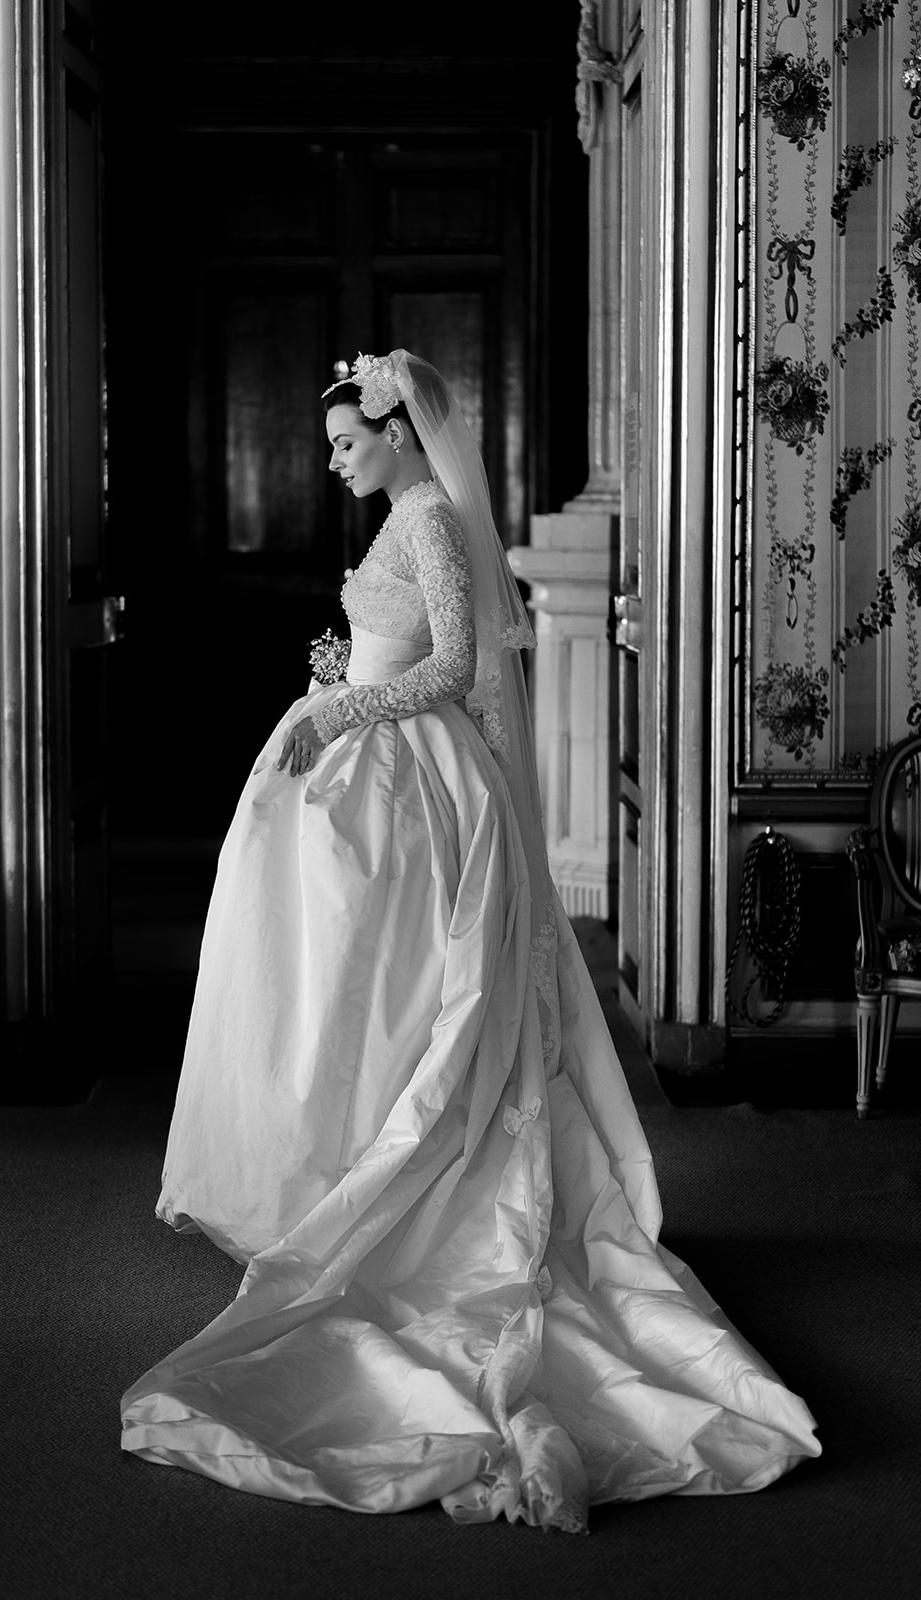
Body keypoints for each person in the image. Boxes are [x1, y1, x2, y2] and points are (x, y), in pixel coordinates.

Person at [121, 350, 820, 1529]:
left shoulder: (435, 521)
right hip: (371, 759)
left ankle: (398, 1184)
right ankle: (335, 1164)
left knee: (387, 980)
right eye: (334, 442)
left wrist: (342, 703)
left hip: (410, 777)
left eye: (350, 440)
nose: (336, 458)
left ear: (400, 433)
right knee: (341, 982)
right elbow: (411, 646)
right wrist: (341, 680)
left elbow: (454, 663)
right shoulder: (406, 515)